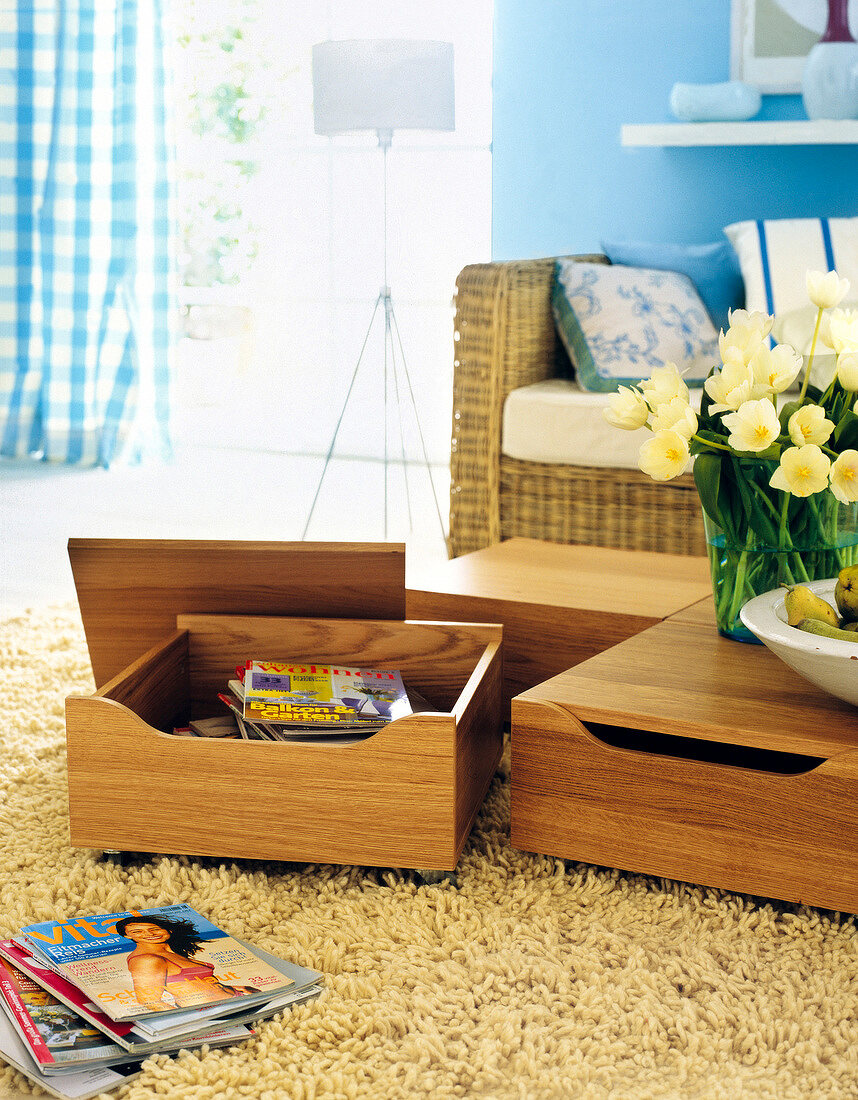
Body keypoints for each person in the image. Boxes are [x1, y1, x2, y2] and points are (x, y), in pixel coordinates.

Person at [114, 914, 258, 1013]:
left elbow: (193, 983)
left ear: (168, 930)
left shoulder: (171, 952)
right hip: (211, 1012)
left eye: (155, 929)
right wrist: (194, 1021)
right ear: (127, 936)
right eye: (138, 931)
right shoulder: (146, 960)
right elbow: (148, 1000)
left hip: (236, 998)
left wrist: (235, 988)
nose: (150, 934)